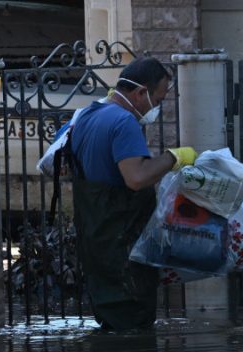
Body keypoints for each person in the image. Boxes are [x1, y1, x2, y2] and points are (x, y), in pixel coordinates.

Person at [69, 57, 198, 331]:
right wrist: (173, 157)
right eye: (159, 100)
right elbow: (136, 178)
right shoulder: (124, 122)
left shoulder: (87, 116)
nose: (158, 108)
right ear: (140, 93)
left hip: (97, 244)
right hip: (123, 248)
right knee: (133, 330)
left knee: (110, 325)